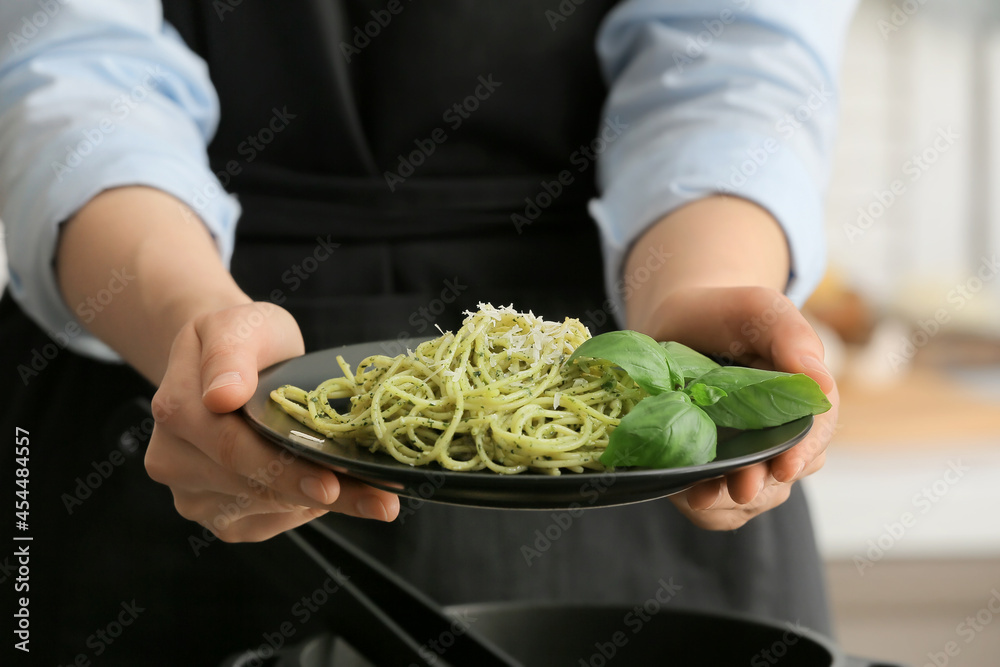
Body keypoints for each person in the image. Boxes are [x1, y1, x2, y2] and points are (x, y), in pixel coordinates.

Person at [0, 1, 855, 663]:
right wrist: (193, 326)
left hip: (618, 393)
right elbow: (68, 68)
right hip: (160, 355)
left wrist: (700, 292)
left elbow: (733, 56)